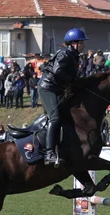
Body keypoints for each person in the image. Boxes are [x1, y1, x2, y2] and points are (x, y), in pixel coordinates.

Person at [38, 28, 88, 165]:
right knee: (55, 118)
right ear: (73, 43)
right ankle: (49, 153)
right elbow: (58, 72)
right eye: (81, 43)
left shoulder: (74, 55)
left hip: (57, 89)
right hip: (48, 88)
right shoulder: (65, 54)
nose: (83, 45)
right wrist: (72, 81)